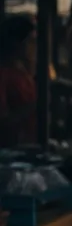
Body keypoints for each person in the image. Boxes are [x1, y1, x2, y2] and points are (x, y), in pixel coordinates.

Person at [0, 16, 37, 147]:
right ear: (16, 43)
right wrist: (38, 105)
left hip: (28, 143)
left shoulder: (23, 72)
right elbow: (3, 120)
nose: (34, 47)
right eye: (30, 41)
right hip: (10, 148)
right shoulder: (4, 74)